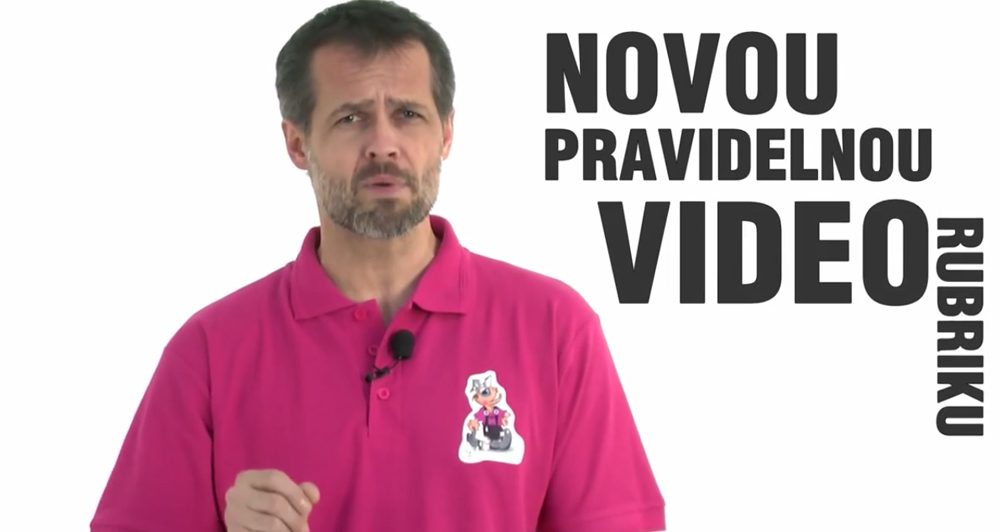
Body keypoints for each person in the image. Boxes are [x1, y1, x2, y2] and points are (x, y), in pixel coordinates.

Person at [90, 1, 665, 531]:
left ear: (446, 134)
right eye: (351, 118)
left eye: (408, 114)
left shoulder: (555, 328)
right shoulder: (208, 353)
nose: (384, 144)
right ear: (297, 143)